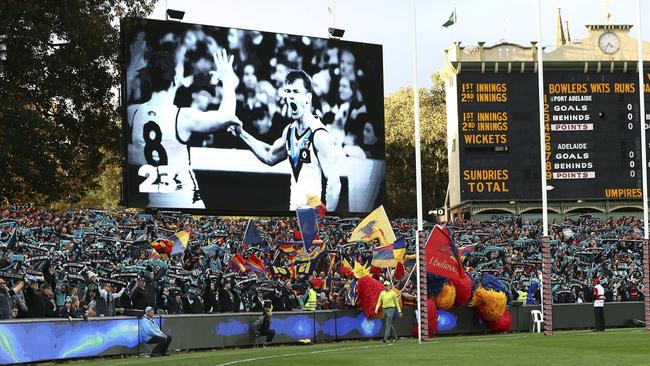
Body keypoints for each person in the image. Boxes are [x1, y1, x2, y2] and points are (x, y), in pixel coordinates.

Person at [127, 48, 241, 208]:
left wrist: (131, 71)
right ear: (174, 80)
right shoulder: (182, 117)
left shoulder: (132, 113)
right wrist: (228, 80)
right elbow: (228, 116)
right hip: (186, 202)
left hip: (153, 205)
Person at [232, 70, 341, 211]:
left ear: (308, 97)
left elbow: (334, 184)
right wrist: (241, 134)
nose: (290, 96)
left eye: (296, 91)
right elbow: (269, 156)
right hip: (293, 211)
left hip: (311, 213)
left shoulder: (319, 134)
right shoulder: (289, 131)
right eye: (288, 91)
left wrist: (326, 221)